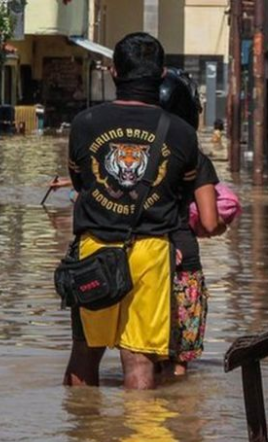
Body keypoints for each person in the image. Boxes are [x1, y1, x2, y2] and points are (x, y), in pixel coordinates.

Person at [60, 32, 222, 390]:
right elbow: (194, 196)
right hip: (152, 253)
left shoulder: (84, 123)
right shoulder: (181, 132)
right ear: (163, 73)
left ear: (114, 71)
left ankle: (83, 440)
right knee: (139, 360)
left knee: (86, 351)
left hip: (95, 250)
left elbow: (80, 183)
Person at [159, 68, 226, 376]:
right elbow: (210, 223)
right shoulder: (196, 159)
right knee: (178, 362)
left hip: (143, 261)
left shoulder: (136, 156)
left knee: (141, 358)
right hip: (184, 265)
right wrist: (221, 224)